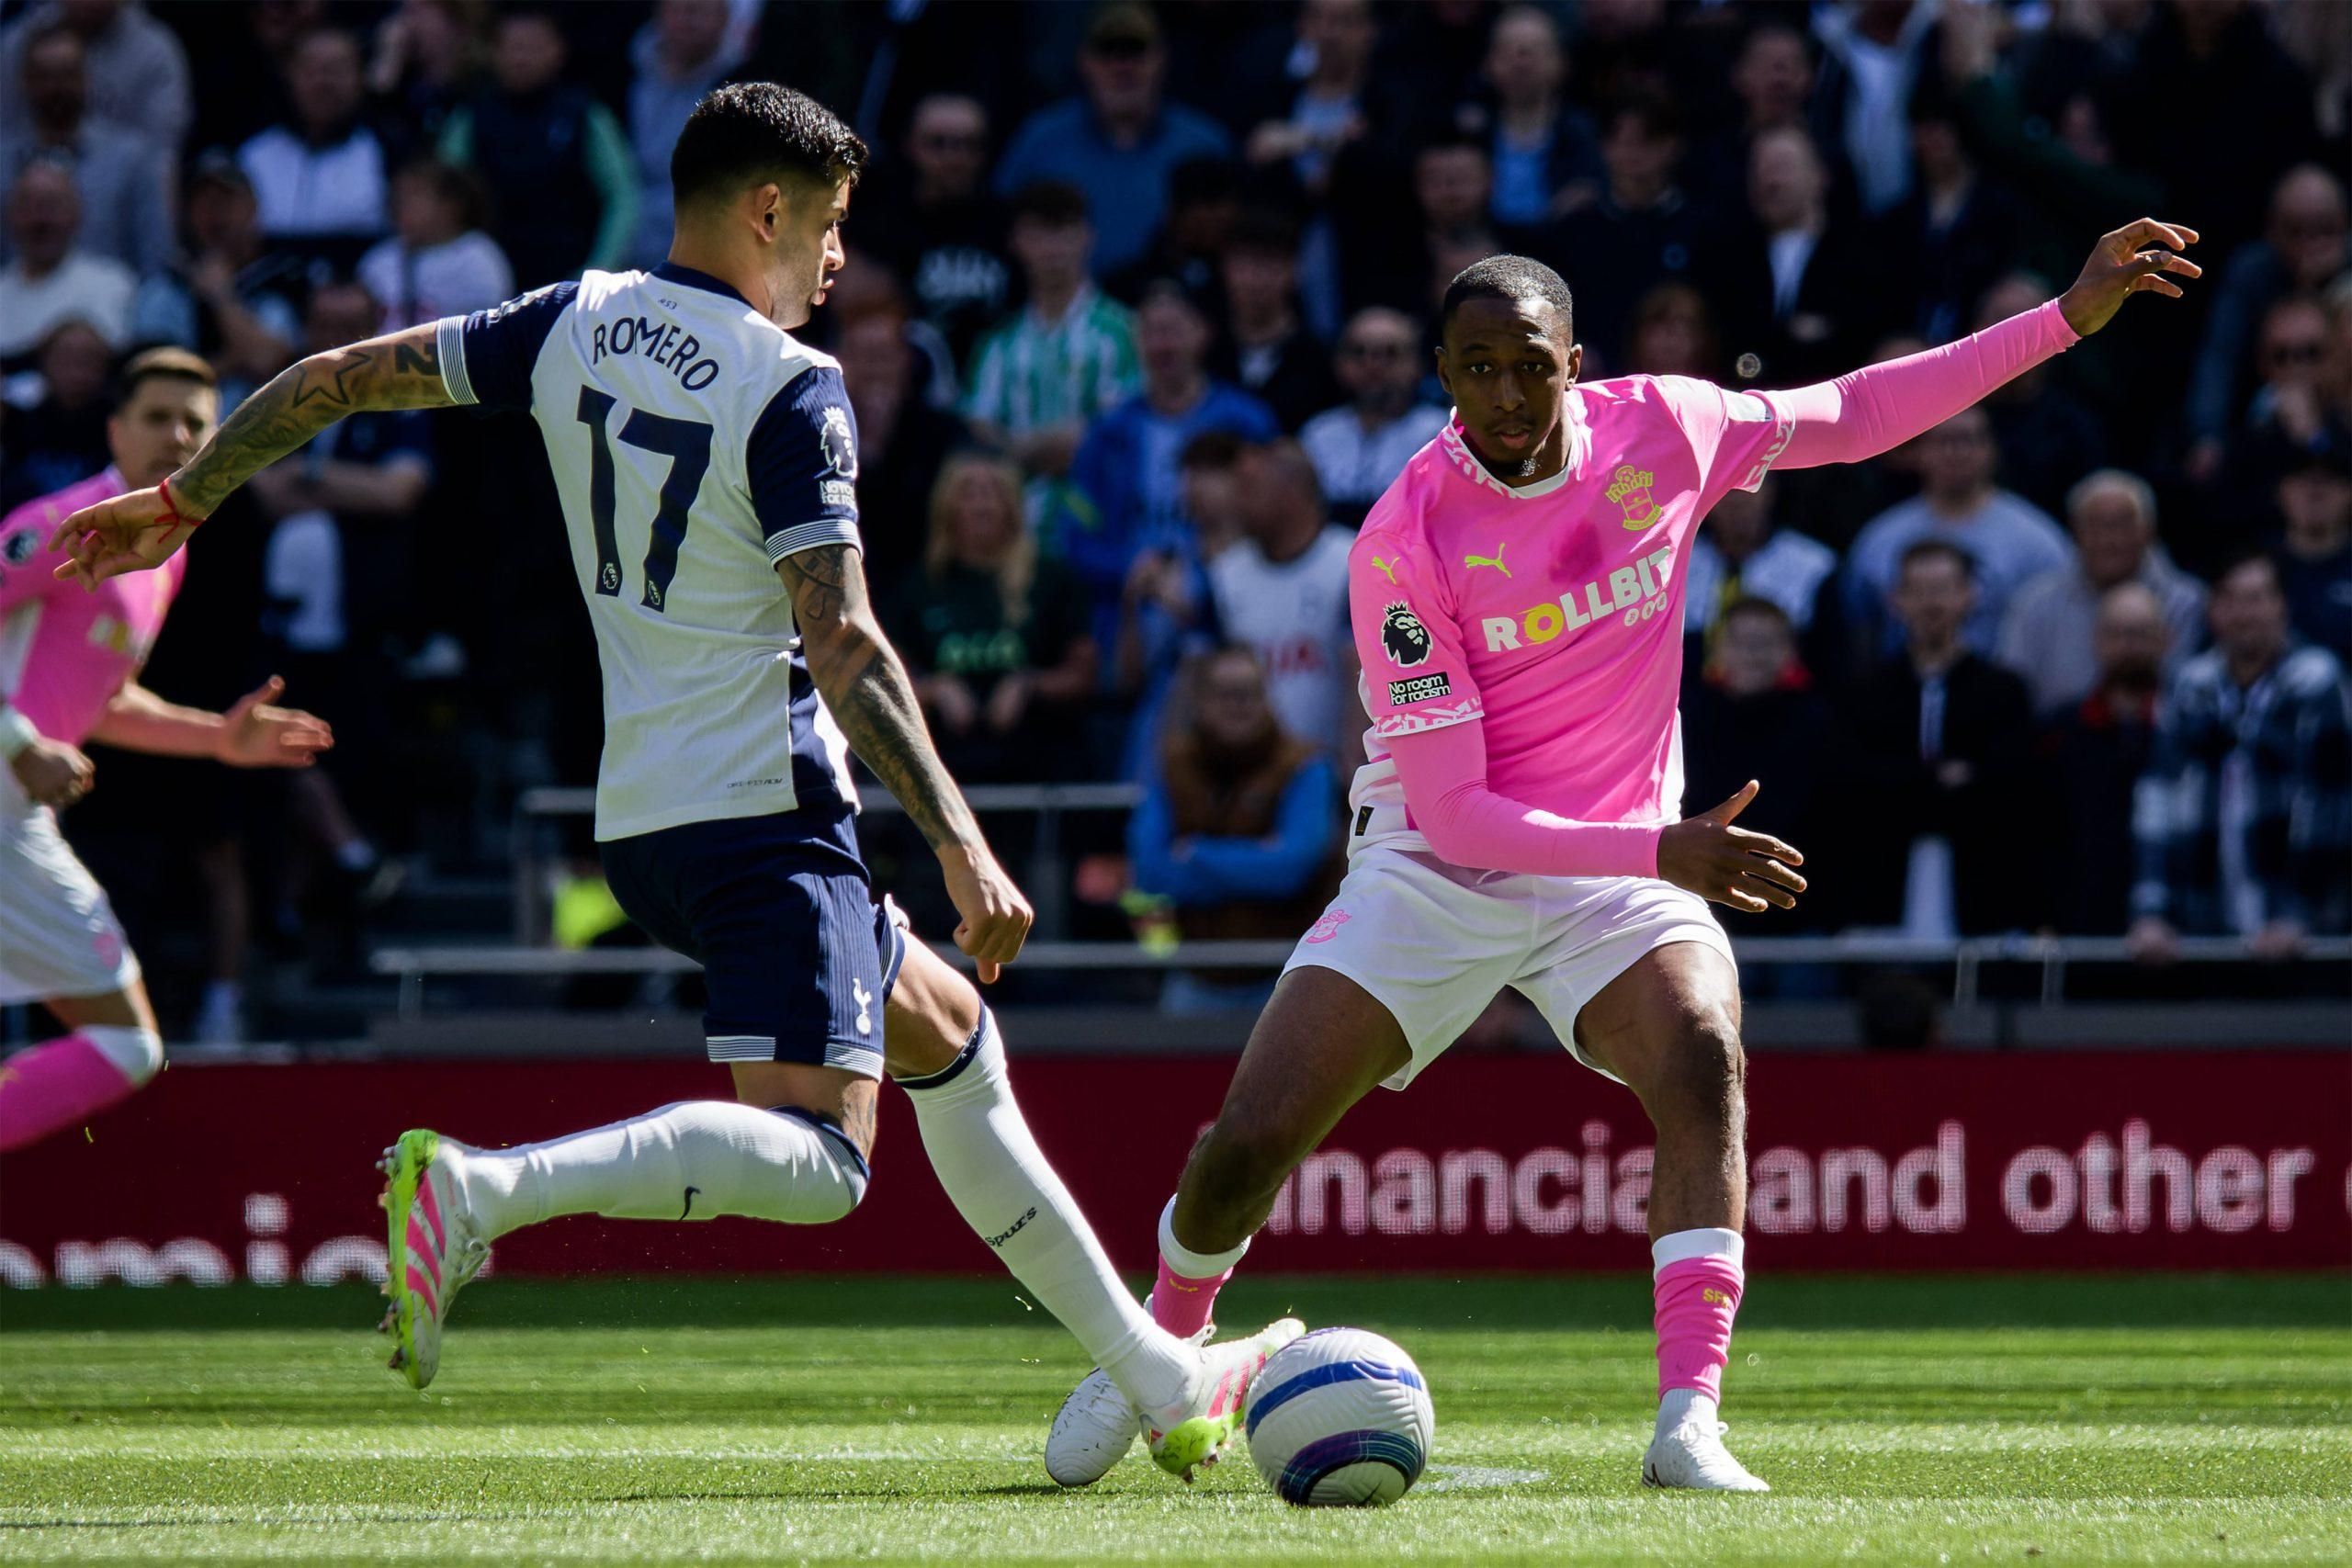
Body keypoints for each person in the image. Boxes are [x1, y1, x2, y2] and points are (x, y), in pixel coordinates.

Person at [51, 81, 1300, 1482]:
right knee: (825, 1164)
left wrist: (187, 497)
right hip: (765, 809)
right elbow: (846, 639)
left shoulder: (567, 318)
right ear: (768, 207)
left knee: (944, 1028)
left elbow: (335, 378)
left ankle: (1156, 1371)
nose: (839, 260)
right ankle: (480, 1190)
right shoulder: (790, 384)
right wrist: (960, 838)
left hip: (641, 815)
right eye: (829, 225)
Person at [1043, 220, 2203, 1493]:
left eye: (1527, 364)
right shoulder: (1403, 538)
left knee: (1703, 1051)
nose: (1503, 394)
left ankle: (1687, 1418)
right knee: (1246, 1147)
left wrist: (2064, 316)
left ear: (1574, 362)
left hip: (1621, 874)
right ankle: (1163, 1342)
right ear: (1442, 373)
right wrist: (1667, 844)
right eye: (1474, 367)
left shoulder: (1666, 425)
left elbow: (1859, 411)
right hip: (1437, 867)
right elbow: (1466, 809)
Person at [0, 347, 331, 1153]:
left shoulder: (164, 554)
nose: (176, 435)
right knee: (127, 1044)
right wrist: (18, 742)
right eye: (156, 417)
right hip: (7, 810)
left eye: (195, 421)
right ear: (113, 428)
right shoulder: (61, 524)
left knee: (128, 1045)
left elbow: (101, 701)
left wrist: (217, 738)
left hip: (16, 818)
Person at [2129, 554, 2352, 960]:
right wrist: (2152, 912)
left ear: (2282, 605)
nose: (2242, 614)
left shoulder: (2317, 681)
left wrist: (2295, 915)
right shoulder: (2189, 686)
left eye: (2255, 598)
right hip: (2202, 932)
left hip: (2303, 939)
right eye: (2228, 600)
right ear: (2212, 610)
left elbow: (2328, 807)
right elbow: (2157, 802)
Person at [1061, 281, 1276, 653]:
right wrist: (1132, 569)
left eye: (1174, 330)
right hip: (1127, 619)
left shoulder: (1247, 423)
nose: (1163, 345)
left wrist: (1204, 579)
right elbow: (1074, 538)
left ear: (1203, 334)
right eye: (1151, 332)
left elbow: (1274, 521)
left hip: (1230, 610)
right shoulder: (1107, 432)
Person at [1839, 539, 2039, 937]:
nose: (1932, 604)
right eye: (1919, 591)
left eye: (1944, 589)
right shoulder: (1866, 691)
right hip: (1881, 886)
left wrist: (1909, 781)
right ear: (1897, 600)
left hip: (1981, 889)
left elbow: (2008, 784)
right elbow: (1855, 782)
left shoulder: (2003, 690)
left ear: (1969, 596)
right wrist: (1938, 779)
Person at [1127, 645, 1340, 1014]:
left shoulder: (1306, 765)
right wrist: (1259, 857)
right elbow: (1149, 873)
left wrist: (1195, 853)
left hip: (1289, 978)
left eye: (1251, 692)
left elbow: (1292, 870)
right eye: (1225, 693)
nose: (1239, 705)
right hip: (1193, 978)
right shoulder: (1170, 763)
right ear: (1199, 700)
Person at [891, 452, 1096, 784]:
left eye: (995, 491)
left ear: (1013, 506)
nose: (982, 504)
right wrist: (934, 690)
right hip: (943, 765)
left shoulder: (1052, 579)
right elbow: (884, 681)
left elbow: (1083, 676)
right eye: (969, 491)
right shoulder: (919, 587)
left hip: (1039, 761)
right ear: (947, 506)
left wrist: (1028, 685)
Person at [991, 4, 1231, 280]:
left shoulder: (1205, 145)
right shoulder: (1039, 142)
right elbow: (999, 230)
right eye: (1107, 52)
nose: (1122, 67)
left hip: (1174, 311)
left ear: (1161, 58)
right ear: (1084, 61)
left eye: (1135, 51)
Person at [1842, 403, 2070, 660]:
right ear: (1919, 450)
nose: (1956, 452)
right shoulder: (1879, 540)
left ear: (1992, 449)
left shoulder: (2038, 541)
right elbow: (1858, 632)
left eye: (1969, 439)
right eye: (1943, 440)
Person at [436, 5, 639, 288]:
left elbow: (622, 198)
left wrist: (598, 271)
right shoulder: (471, 117)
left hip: (571, 284)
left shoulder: (585, 114)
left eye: (533, 47)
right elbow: (443, 195)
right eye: (512, 47)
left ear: (559, 50)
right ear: (493, 52)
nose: (521, 57)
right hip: (486, 283)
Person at [961, 181, 1139, 482]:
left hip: (1103, 510)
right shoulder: (996, 343)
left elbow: (1125, 424)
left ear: (1087, 236)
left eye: (1064, 231)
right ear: (1016, 242)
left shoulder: (1126, 331)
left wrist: (1023, 450)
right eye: (1038, 233)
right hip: (1016, 519)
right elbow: (980, 433)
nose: (1052, 247)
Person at [1997, 469, 2206, 716]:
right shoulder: (2034, 603)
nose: (2110, 539)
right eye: (2095, 525)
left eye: (2123, 524)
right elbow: (2010, 693)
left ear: (2149, 531)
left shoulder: (2187, 602)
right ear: (2074, 532)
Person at [1199, 440, 1355, 758]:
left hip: (1329, 767)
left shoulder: (1351, 563)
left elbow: (1363, 675)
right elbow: (1199, 676)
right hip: (1245, 771)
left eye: (1250, 489)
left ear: (1292, 490)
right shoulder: (1224, 575)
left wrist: (1351, 766)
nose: (1236, 503)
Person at [2038, 581, 2169, 935]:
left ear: (2164, 640)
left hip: (2169, 934)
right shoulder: (2060, 732)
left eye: (2141, 633)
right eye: (2118, 633)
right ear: (2097, 640)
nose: (2129, 645)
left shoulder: (2187, 727)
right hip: (2080, 926)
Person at [127, 152, 302, 409]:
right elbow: (155, 383)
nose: (215, 214)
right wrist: (236, 360)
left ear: (253, 207)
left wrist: (222, 297)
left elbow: (269, 363)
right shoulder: (165, 289)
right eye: (204, 202)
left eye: (226, 201)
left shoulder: (285, 279)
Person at [0, 22, 172, 274]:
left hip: (112, 306)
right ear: (25, 82)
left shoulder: (131, 160)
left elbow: (155, 263)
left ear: (86, 77)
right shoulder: (3, 164)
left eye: (67, 74)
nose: (57, 87)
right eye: (45, 75)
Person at [236, 28, 390, 267]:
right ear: (289, 76)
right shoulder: (252, 156)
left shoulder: (388, 152)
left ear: (360, 77)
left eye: (337, 70)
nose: (324, 82)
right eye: (312, 69)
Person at [1298, 306, 1450, 528]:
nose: (1372, 365)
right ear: (1340, 364)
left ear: (1416, 364)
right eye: (1359, 353)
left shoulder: (1441, 433)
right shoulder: (1317, 434)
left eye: (1390, 353)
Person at [1208, 210, 1338, 434]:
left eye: (1269, 264)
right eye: (1244, 265)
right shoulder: (1205, 354)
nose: (1255, 279)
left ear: (1294, 270)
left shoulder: (1321, 361)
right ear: (1225, 270)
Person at [358, 158, 515, 331]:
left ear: (451, 205)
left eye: (415, 194)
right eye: (398, 195)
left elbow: (490, 331)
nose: (401, 204)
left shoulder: (479, 259)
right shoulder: (379, 260)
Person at [0, 157, 132, 360]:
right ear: (10, 216)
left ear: (77, 213)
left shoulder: (113, 286)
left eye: (52, 206)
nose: (40, 221)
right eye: (28, 206)